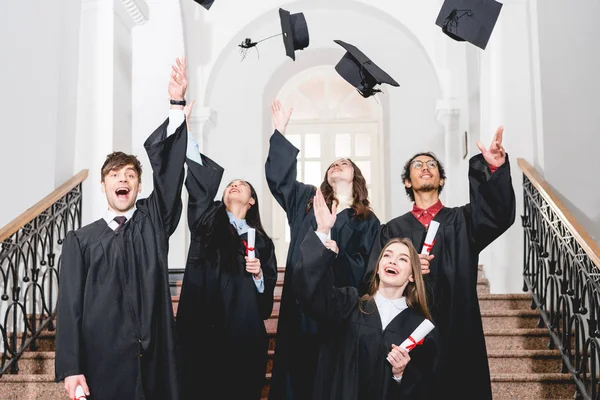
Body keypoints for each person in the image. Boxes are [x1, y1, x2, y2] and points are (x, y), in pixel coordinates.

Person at [55, 57, 190, 399]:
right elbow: (70, 307)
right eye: (115, 175)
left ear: (139, 187)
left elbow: (171, 179)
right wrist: (72, 369)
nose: (123, 179)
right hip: (104, 366)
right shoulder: (81, 241)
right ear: (103, 185)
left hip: (154, 362)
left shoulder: (152, 222)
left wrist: (176, 106)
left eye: (130, 175)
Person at [365, 126, 516, 399]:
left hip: (458, 323)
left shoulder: (463, 221)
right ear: (408, 182)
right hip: (408, 324)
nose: (425, 167)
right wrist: (405, 267)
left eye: (432, 164)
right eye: (418, 165)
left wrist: (494, 169)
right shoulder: (392, 229)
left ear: (441, 180)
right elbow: (374, 276)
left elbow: (498, 216)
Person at [265, 100, 381, 399]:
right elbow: (280, 181)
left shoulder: (367, 220)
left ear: (356, 176)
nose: (335, 165)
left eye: (343, 163)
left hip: (339, 308)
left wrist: (335, 252)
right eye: (331, 164)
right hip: (301, 304)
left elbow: (368, 268)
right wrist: (279, 131)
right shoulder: (307, 200)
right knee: (297, 376)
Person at [293, 189, 438, 400]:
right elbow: (309, 291)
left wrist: (400, 375)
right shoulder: (348, 304)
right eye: (387, 255)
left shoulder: (420, 329)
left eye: (403, 259)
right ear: (378, 268)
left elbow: (426, 387)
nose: (392, 261)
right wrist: (323, 230)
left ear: (412, 276)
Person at [175, 102, 277, 400]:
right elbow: (199, 185)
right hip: (203, 333)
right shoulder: (207, 222)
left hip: (242, 336)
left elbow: (264, 305)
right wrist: (186, 133)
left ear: (252, 201)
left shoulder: (262, 243)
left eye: (241, 185)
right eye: (230, 184)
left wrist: (258, 276)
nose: (234, 186)